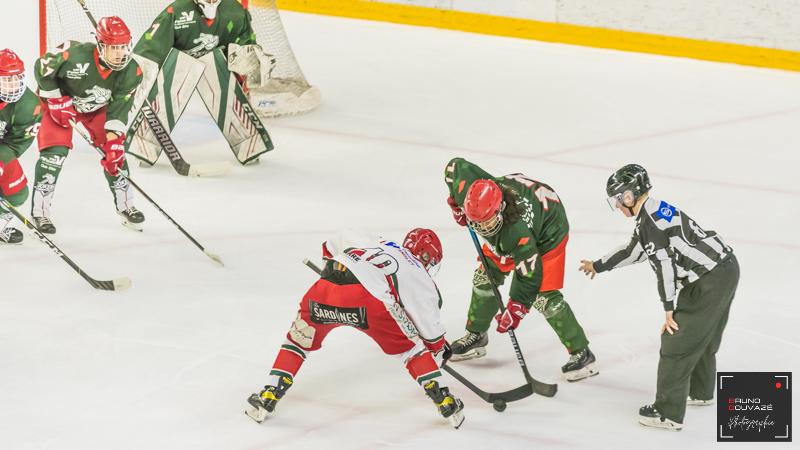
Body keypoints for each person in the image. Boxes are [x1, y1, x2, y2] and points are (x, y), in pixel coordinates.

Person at [245, 229, 465, 429]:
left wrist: (333, 276)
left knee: (298, 341)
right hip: (369, 302)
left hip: (325, 289)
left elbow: (331, 244)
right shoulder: (419, 273)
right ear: (427, 257)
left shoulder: (378, 241)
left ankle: (269, 393)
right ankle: (444, 399)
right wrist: (438, 350)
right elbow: (431, 332)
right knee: (412, 350)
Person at [579, 163, 739, 430]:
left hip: (708, 281)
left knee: (676, 341)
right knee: (703, 336)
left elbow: (664, 267)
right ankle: (701, 391)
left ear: (631, 194)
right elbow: (633, 251)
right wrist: (598, 265)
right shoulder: (654, 211)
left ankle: (668, 413)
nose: (618, 205)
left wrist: (668, 308)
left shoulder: (649, 223)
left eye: (619, 198)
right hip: (725, 269)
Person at [444, 157, 597, 381]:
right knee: (484, 278)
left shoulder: (517, 231)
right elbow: (454, 167)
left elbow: (529, 275)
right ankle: (476, 334)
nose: (482, 228)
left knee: (544, 297)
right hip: (514, 216)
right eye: (477, 222)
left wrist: (517, 307)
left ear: (501, 208)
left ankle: (582, 352)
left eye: (487, 222)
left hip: (549, 229)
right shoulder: (468, 195)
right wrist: (455, 204)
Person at [32, 16, 143, 233]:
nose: (120, 53)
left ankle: (126, 205)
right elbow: (42, 67)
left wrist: (113, 142)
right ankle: (40, 212)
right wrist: (54, 99)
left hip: (96, 109)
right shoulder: (74, 55)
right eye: (114, 48)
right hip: (60, 107)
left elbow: (119, 108)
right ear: (100, 45)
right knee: (54, 156)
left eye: (123, 47)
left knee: (115, 153)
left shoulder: (132, 71)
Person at [0, 49, 43, 243]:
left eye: (16, 78)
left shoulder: (29, 105)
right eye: (7, 80)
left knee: (17, 193)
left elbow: (16, 144)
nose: (14, 85)